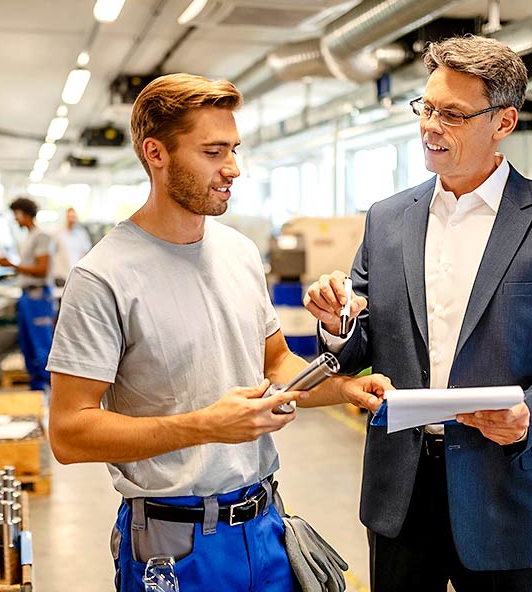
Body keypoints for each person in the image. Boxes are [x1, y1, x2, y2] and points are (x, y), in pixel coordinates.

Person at [45, 73, 391, 592]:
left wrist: (344, 389)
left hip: (267, 525)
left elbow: (275, 364)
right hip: (174, 547)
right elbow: (69, 433)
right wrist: (206, 425)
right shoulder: (102, 276)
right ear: (155, 153)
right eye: (212, 152)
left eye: (233, 149)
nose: (232, 168)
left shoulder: (239, 253)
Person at [303, 35, 532, 591]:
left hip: (508, 496)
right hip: (401, 491)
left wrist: (528, 416)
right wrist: (336, 321)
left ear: (503, 121)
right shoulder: (388, 218)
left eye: (452, 113)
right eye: (425, 107)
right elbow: (362, 340)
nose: (429, 126)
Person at [0, 197, 56, 392]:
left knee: (41, 346)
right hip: (27, 297)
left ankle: (47, 392)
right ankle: (36, 391)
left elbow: (42, 270)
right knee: (28, 347)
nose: (16, 219)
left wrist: (13, 265)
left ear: (25, 213)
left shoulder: (41, 236)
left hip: (38, 297)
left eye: (17, 215)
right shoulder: (29, 237)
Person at [52, 207, 92, 286]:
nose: (71, 220)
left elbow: (86, 254)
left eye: (73, 217)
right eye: (69, 217)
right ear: (66, 218)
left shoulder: (82, 234)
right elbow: (51, 253)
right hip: (61, 277)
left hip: (77, 276)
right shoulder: (57, 234)